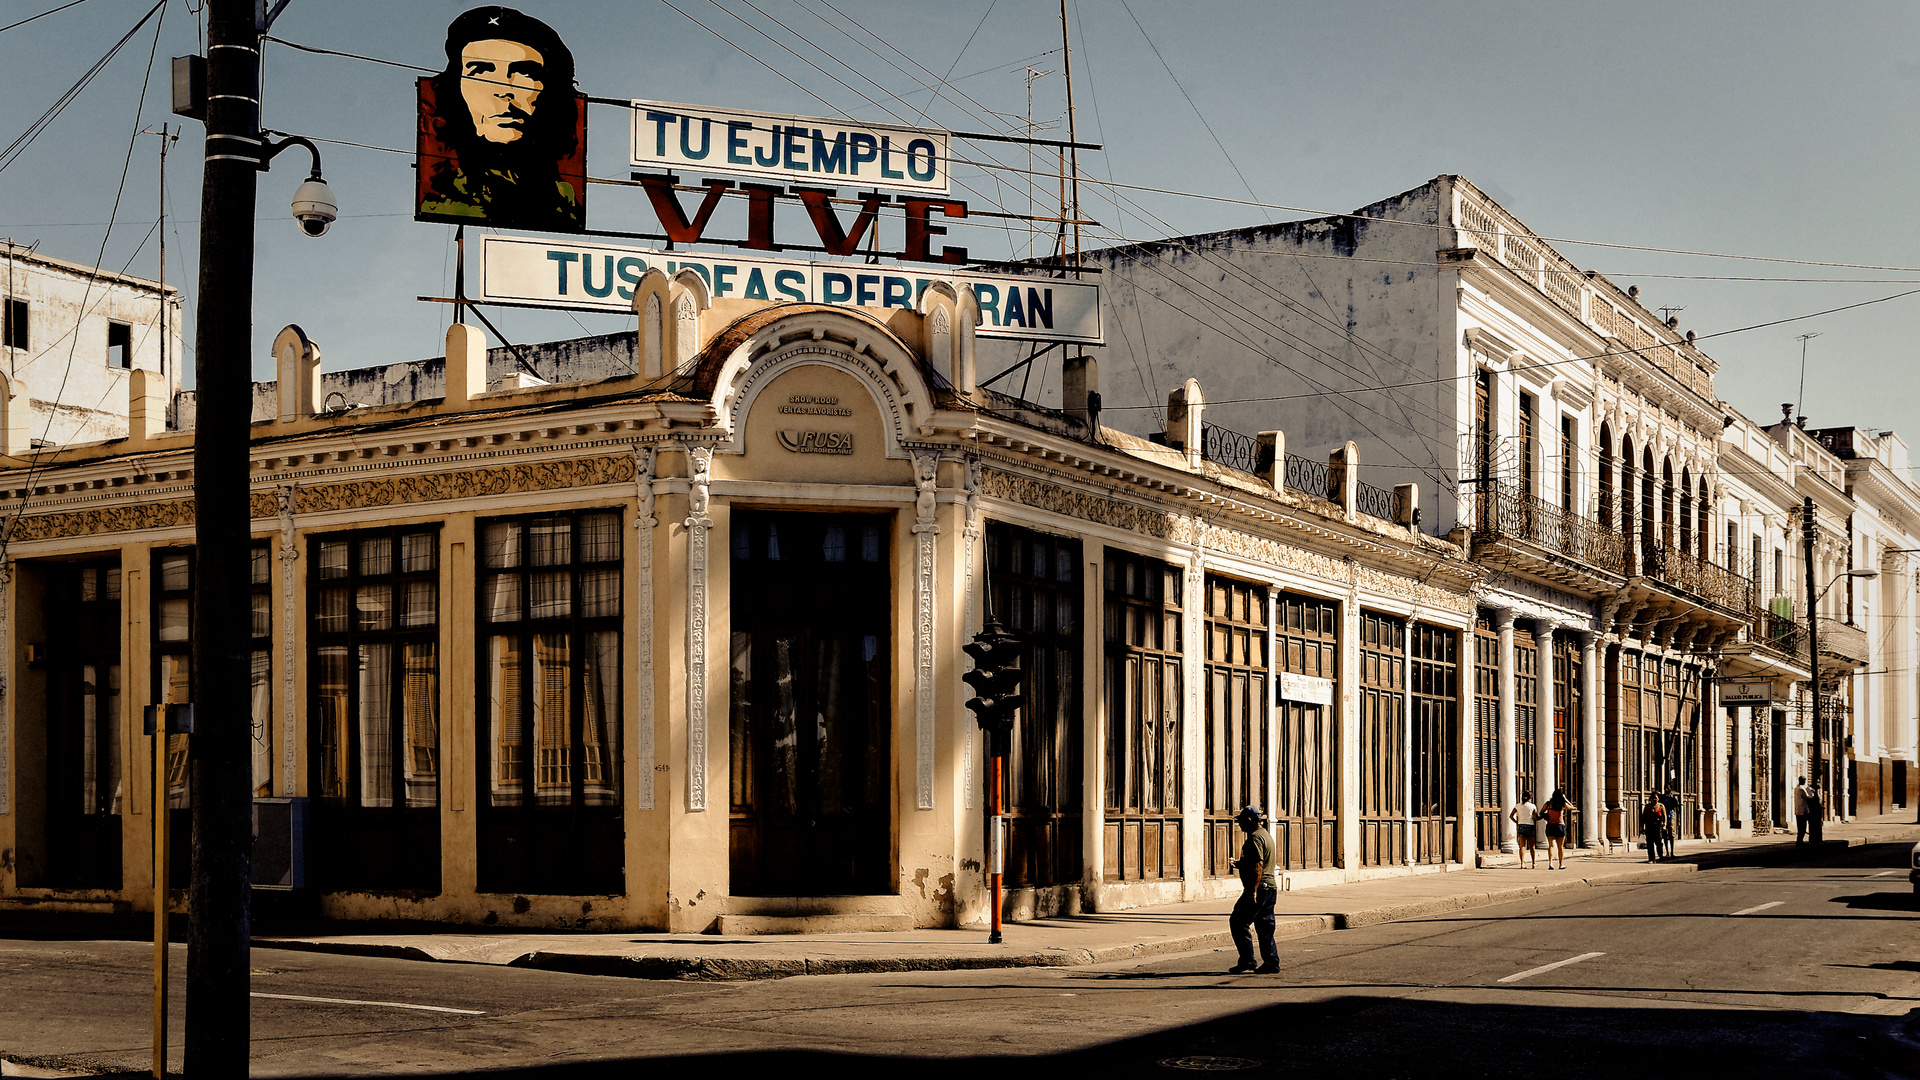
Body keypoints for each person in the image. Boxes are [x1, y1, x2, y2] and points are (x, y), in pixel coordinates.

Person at [417, 6, 585, 231]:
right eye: (481, 71)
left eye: (525, 73)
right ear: (455, 89)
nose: (504, 89)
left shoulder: (566, 201)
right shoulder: (441, 196)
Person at [1227, 805, 1278, 975]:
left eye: (1241, 821)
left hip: (1260, 888)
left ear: (1249, 820)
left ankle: (1247, 960)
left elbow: (1258, 866)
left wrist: (1252, 892)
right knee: (1265, 926)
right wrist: (1241, 865)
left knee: (1238, 921)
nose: (1240, 825)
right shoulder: (1265, 836)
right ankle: (1271, 962)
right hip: (1270, 887)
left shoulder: (1255, 838)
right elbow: (1256, 862)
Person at [1542, 788, 1576, 870]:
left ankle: (1550, 863)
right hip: (1560, 826)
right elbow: (1572, 807)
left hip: (1550, 825)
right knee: (1560, 847)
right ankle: (1561, 864)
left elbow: (1541, 812)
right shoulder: (1562, 804)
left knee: (1551, 845)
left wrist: (1547, 816)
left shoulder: (1548, 804)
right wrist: (1565, 799)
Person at [1509, 790, 1539, 868]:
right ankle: (1533, 863)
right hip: (1530, 825)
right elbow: (1536, 817)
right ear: (1530, 798)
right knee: (1532, 846)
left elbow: (1511, 815)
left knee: (1522, 846)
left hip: (1521, 825)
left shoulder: (1518, 806)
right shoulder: (1533, 806)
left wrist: (1516, 822)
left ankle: (1522, 863)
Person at [1640, 793, 1667, 861]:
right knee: (1650, 843)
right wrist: (1642, 827)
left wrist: (1664, 824)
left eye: (1655, 798)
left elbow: (1664, 816)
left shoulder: (1661, 806)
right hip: (1649, 827)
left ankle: (1660, 856)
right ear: (1650, 799)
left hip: (1657, 827)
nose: (1654, 799)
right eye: (1652, 798)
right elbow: (1643, 817)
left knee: (1658, 842)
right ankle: (1651, 858)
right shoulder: (1647, 807)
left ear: (1658, 799)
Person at [1793, 778, 1811, 844]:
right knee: (1802, 827)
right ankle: (1799, 841)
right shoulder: (1801, 789)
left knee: (1800, 827)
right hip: (1802, 810)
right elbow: (1806, 798)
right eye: (1804, 781)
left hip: (1798, 810)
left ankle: (1799, 840)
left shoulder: (1796, 788)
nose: (1805, 782)